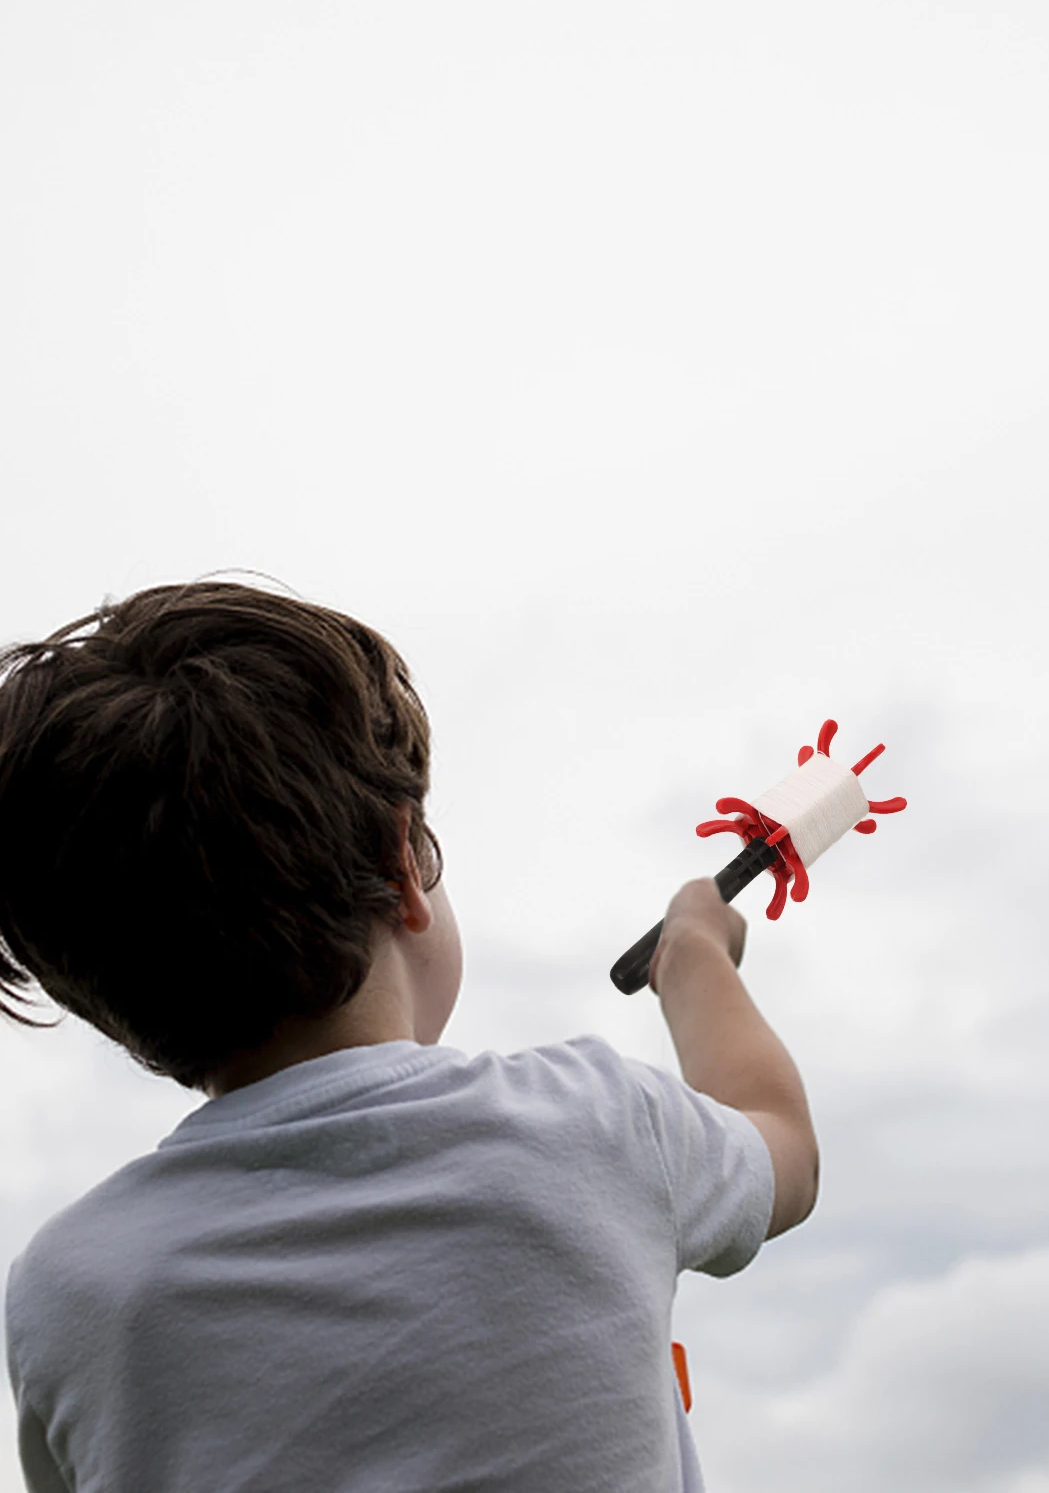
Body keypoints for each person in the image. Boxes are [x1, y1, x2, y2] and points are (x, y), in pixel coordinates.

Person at [0, 582, 818, 1492]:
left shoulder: (68, 1296)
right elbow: (778, 1136)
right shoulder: (596, 1128)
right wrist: (696, 955)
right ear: (403, 864)